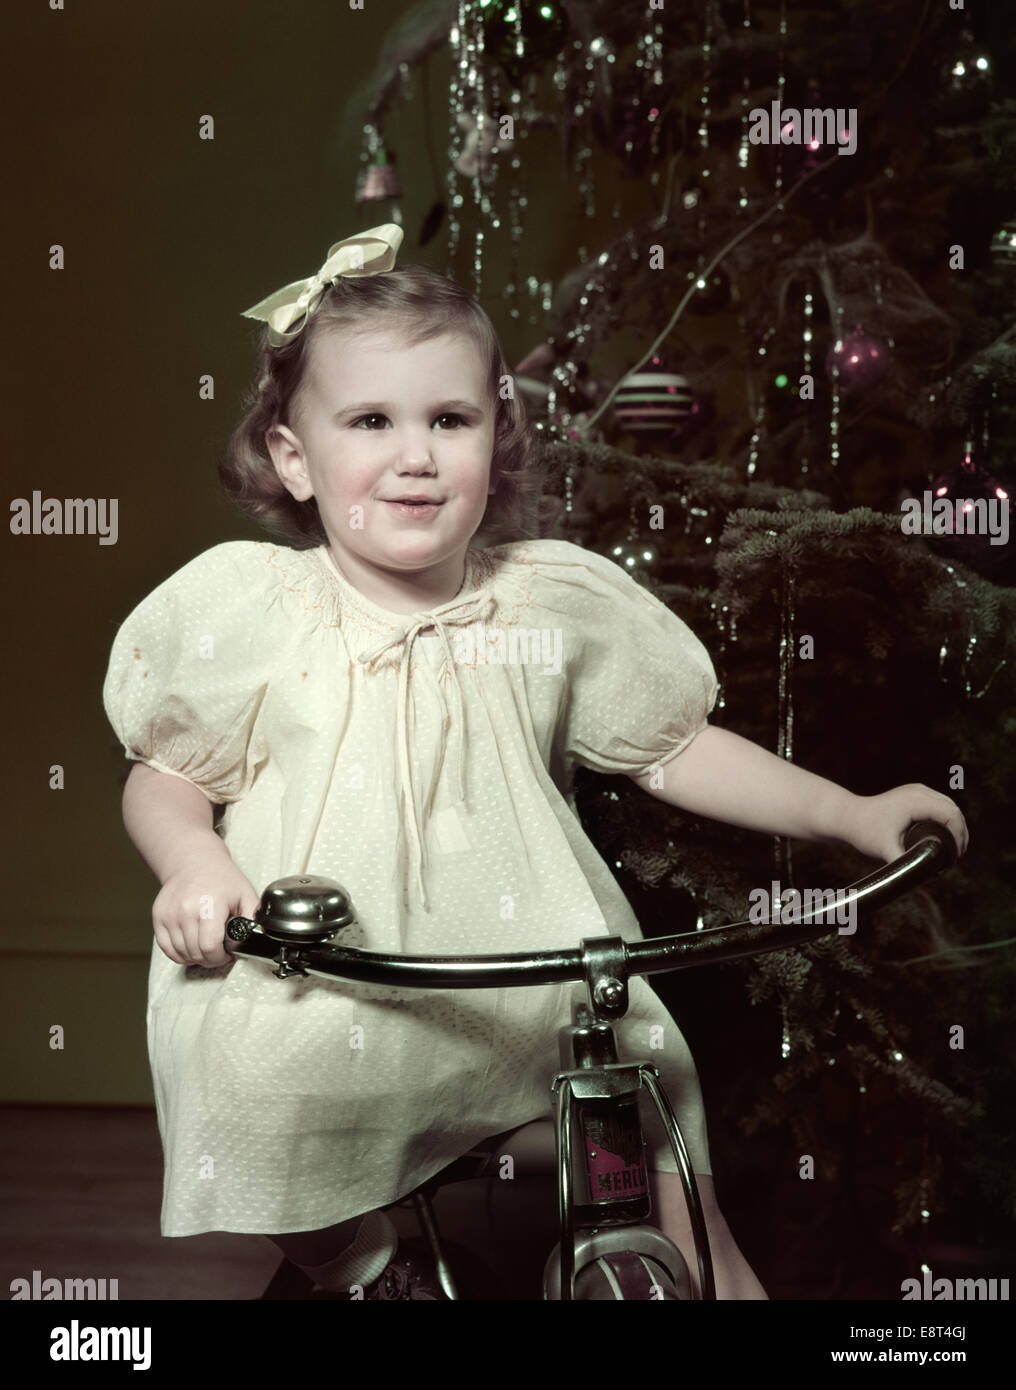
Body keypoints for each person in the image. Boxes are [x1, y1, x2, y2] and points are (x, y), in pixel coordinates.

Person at [103, 225, 968, 1301]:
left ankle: (690, 1267)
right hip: (325, 978)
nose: (414, 454)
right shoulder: (259, 609)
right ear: (294, 456)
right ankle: (367, 1260)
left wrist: (845, 810)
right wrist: (193, 862)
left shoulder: (545, 603)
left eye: (448, 420)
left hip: (535, 972)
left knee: (646, 1084)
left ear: (494, 438)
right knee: (255, 1083)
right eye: (371, 421)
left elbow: (673, 746)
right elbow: (164, 770)